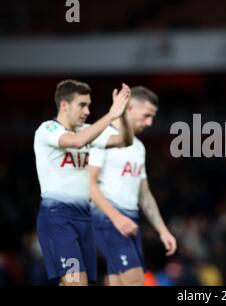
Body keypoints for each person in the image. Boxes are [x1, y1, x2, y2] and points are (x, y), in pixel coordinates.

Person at [34, 79, 133, 286]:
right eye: (82, 105)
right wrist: (111, 114)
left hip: (84, 219)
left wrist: (122, 114)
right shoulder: (48, 129)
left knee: (80, 283)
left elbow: (125, 140)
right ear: (64, 105)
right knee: (76, 283)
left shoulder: (87, 130)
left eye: (88, 105)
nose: (87, 111)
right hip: (58, 219)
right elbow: (77, 142)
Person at [88, 86, 177, 286]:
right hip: (108, 220)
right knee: (136, 281)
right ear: (128, 108)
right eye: (146, 116)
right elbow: (89, 184)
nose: (150, 122)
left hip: (129, 220)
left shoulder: (138, 147)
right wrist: (116, 217)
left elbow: (144, 194)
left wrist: (162, 230)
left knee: (117, 282)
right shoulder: (101, 136)